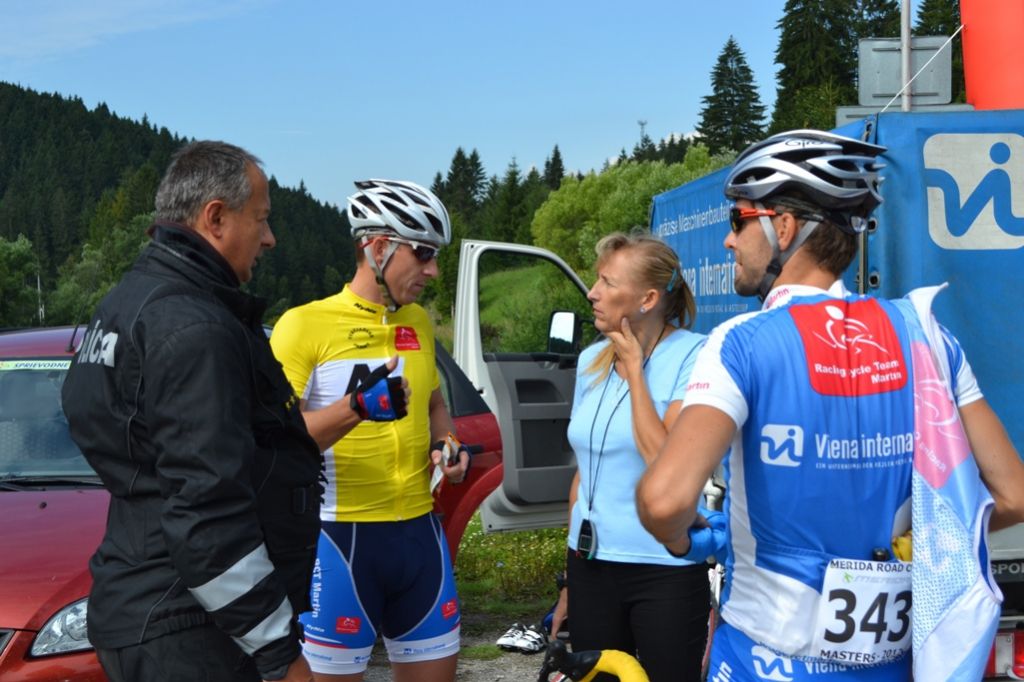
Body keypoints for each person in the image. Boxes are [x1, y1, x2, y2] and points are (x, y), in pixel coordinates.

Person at [636, 129, 1024, 681]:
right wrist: (921, 540)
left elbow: (663, 500)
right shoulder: (927, 338)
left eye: (738, 220)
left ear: (783, 226)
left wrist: (685, 537)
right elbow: (1012, 493)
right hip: (892, 664)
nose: (729, 241)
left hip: (764, 661)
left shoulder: (741, 341)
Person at [61, 141, 321, 682]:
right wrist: (279, 653)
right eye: (263, 219)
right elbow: (209, 513)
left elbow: (102, 430)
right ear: (216, 218)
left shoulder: (126, 301)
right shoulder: (194, 326)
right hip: (191, 628)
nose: (269, 238)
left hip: (142, 599)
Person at [269, 179, 470, 682]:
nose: (433, 270)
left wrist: (448, 442)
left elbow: (434, 401)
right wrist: (355, 409)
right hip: (340, 540)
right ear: (378, 247)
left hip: (420, 537)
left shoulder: (419, 322)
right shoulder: (304, 325)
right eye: (423, 253)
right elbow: (273, 441)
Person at [547, 231, 713, 682]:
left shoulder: (694, 355)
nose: (592, 293)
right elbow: (585, 476)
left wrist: (636, 373)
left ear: (648, 299)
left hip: (663, 570)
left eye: (607, 282)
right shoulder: (590, 361)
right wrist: (569, 579)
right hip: (591, 567)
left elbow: (668, 466)